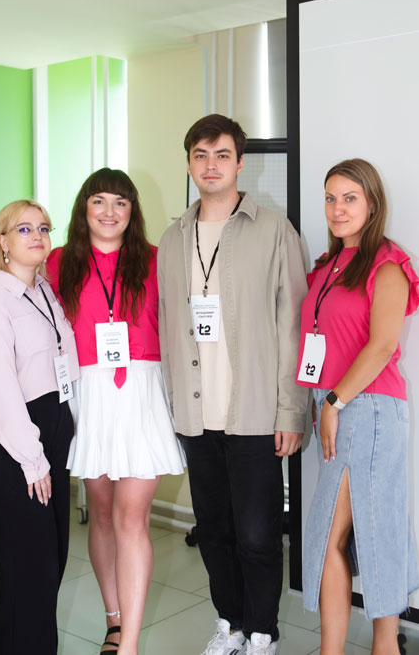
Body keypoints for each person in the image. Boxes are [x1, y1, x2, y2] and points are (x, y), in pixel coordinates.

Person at [157, 114, 308, 655]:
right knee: (214, 531)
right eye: (200, 155)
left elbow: (294, 327)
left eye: (222, 155)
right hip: (197, 417)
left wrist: (291, 411)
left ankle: (263, 632)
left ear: (240, 163)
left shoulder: (274, 231)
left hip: (255, 413)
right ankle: (231, 624)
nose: (211, 165)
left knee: (258, 536)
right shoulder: (172, 239)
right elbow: (166, 326)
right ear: (189, 164)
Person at [46, 167, 185, 655]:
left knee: (131, 518)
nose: (109, 211)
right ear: (83, 208)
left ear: (133, 211)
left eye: (120, 202)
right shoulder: (58, 261)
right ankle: (113, 620)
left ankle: (129, 645)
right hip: (88, 394)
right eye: (99, 201)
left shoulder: (156, 258)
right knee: (102, 514)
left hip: (142, 393)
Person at [296, 158, 419, 654]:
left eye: (350, 198)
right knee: (358, 531)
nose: (337, 209)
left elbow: (383, 345)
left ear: (372, 204)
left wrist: (333, 401)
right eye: (330, 198)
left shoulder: (387, 263)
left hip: (369, 410)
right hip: (338, 407)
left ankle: (380, 646)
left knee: (356, 531)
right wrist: (321, 401)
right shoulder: (328, 266)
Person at [0, 200, 79, 655]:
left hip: (50, 433)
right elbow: (0, 389)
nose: (37, 236)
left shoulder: (46, 292)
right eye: (24, 228)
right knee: (31, 571)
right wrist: (32, 460)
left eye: (44, 228)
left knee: (44, 567)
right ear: (3, 241)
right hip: (12, 442)